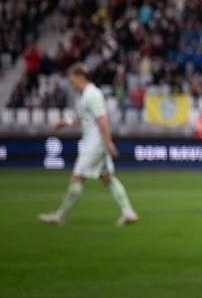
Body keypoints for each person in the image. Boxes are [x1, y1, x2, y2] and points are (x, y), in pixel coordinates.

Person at [38, 63, 138, 227]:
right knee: (107, 178)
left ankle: (60, 216)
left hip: (95, 144)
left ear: (80, 77)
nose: (71, 83)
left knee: (77, 178)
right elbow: (82, 118)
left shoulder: (92, 94)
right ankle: (128, 212)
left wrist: (108, 143)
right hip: (97, 143)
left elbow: (102, 119)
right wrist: (64, 122)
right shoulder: (86, 95)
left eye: (72, 79)